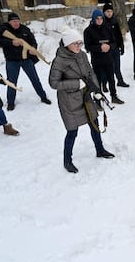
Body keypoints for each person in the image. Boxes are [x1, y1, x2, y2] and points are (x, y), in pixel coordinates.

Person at [49, 28, 115, 173]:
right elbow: (54, 84)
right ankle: (67, 161)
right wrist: (76, 84)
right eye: (75, 44)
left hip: (86, 97)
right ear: (67, 45)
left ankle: (100, 150)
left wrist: (97, 90)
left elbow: (90, 73)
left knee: (94, 124)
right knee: (72, 131)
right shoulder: (59, 61)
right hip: (69, 102)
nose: (79, 46)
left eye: (80, 43)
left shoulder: (82, 55)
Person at [0, 12, 51, 111]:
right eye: (14, 21)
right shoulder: (3, 29)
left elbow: (33, 41)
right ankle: (10, 102)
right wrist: (11, 42)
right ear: (9, 22)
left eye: (18, 21)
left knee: (35, 79)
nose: (16, 23)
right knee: (12, 82)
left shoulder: (25, 29)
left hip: (26, 59)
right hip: (12, 61)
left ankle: (43, 97)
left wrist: (33, 48)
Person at [84, 9, 124, 104]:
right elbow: (88, 47)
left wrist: (109, 46)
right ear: (93, 19)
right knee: (97, 81)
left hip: (108, 58)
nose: (99, 20)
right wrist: (100, 48)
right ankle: (97, 100)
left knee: (111, 79)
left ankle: (114, 96)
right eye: (97, 18)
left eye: (101, 18)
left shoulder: (108, 28)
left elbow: (114, 42)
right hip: (97, 60)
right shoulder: (88, 31)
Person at [102, 3, 129, 88]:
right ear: (104, 12)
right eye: (107, 11)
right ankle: (105, 84)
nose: (109, 13)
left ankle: (120, 81)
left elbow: (119, 35)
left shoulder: (114, 20)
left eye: (111, 11)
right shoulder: (102, 22)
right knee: (107, 67)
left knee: (117, 66)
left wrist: (122, 46)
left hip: (116, 48)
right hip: (107, 49)